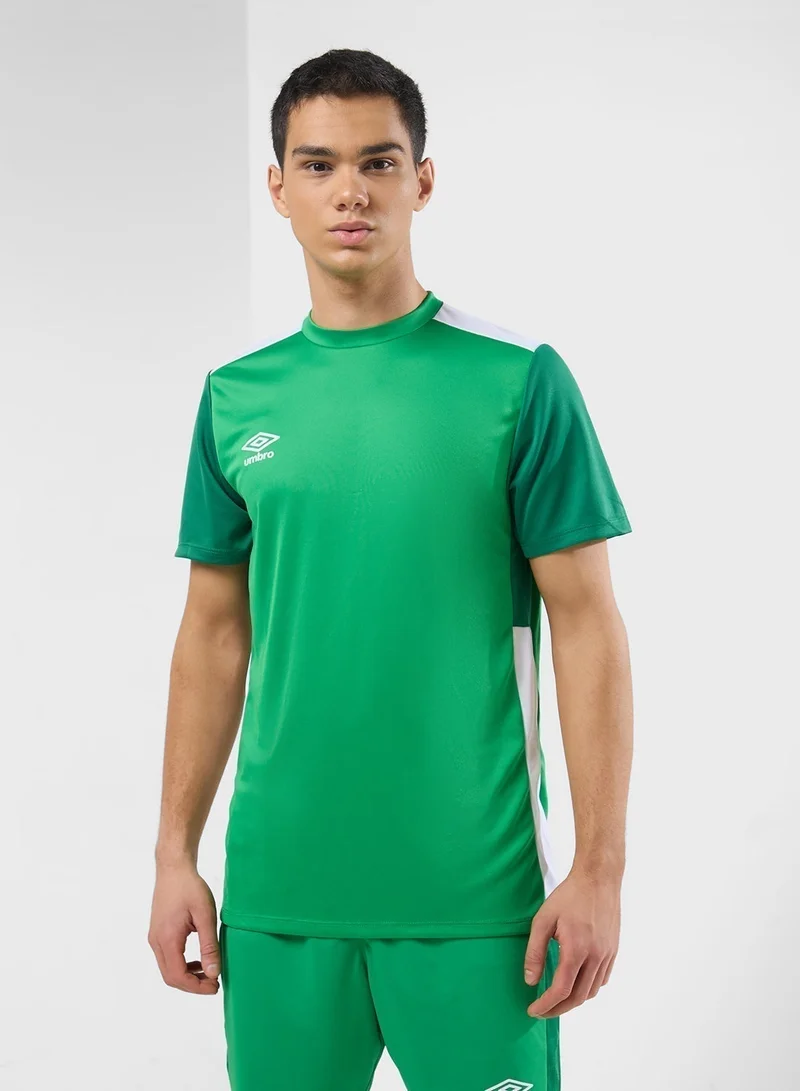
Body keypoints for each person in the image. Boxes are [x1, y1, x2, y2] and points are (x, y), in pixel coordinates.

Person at [148, 47, 634, 1091]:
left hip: (480, 899)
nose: (351, 192)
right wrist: (173, 853)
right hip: (279, 896)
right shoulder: (236, 397)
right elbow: (213, 633)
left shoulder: (518, 379)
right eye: (317, 164)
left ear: (423, 179)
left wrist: (599, 868)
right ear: (277, 187)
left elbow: (589, 622)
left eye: (378, 161)